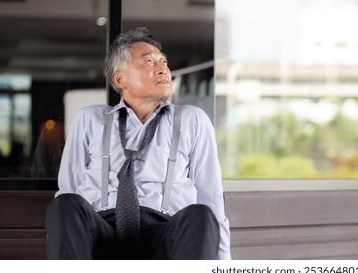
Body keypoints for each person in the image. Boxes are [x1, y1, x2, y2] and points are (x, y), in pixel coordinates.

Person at [45, 27, 230, 260]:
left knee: (201, 214)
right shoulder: (90, 119)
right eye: (149, 62)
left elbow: (210, 197)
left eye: (164, 62)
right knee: (64, 204)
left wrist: (224, 266)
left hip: (165, 233)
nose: (163, 68)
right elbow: (69, 188)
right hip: (102, 231)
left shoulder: (192, 120)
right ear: (120, 79)